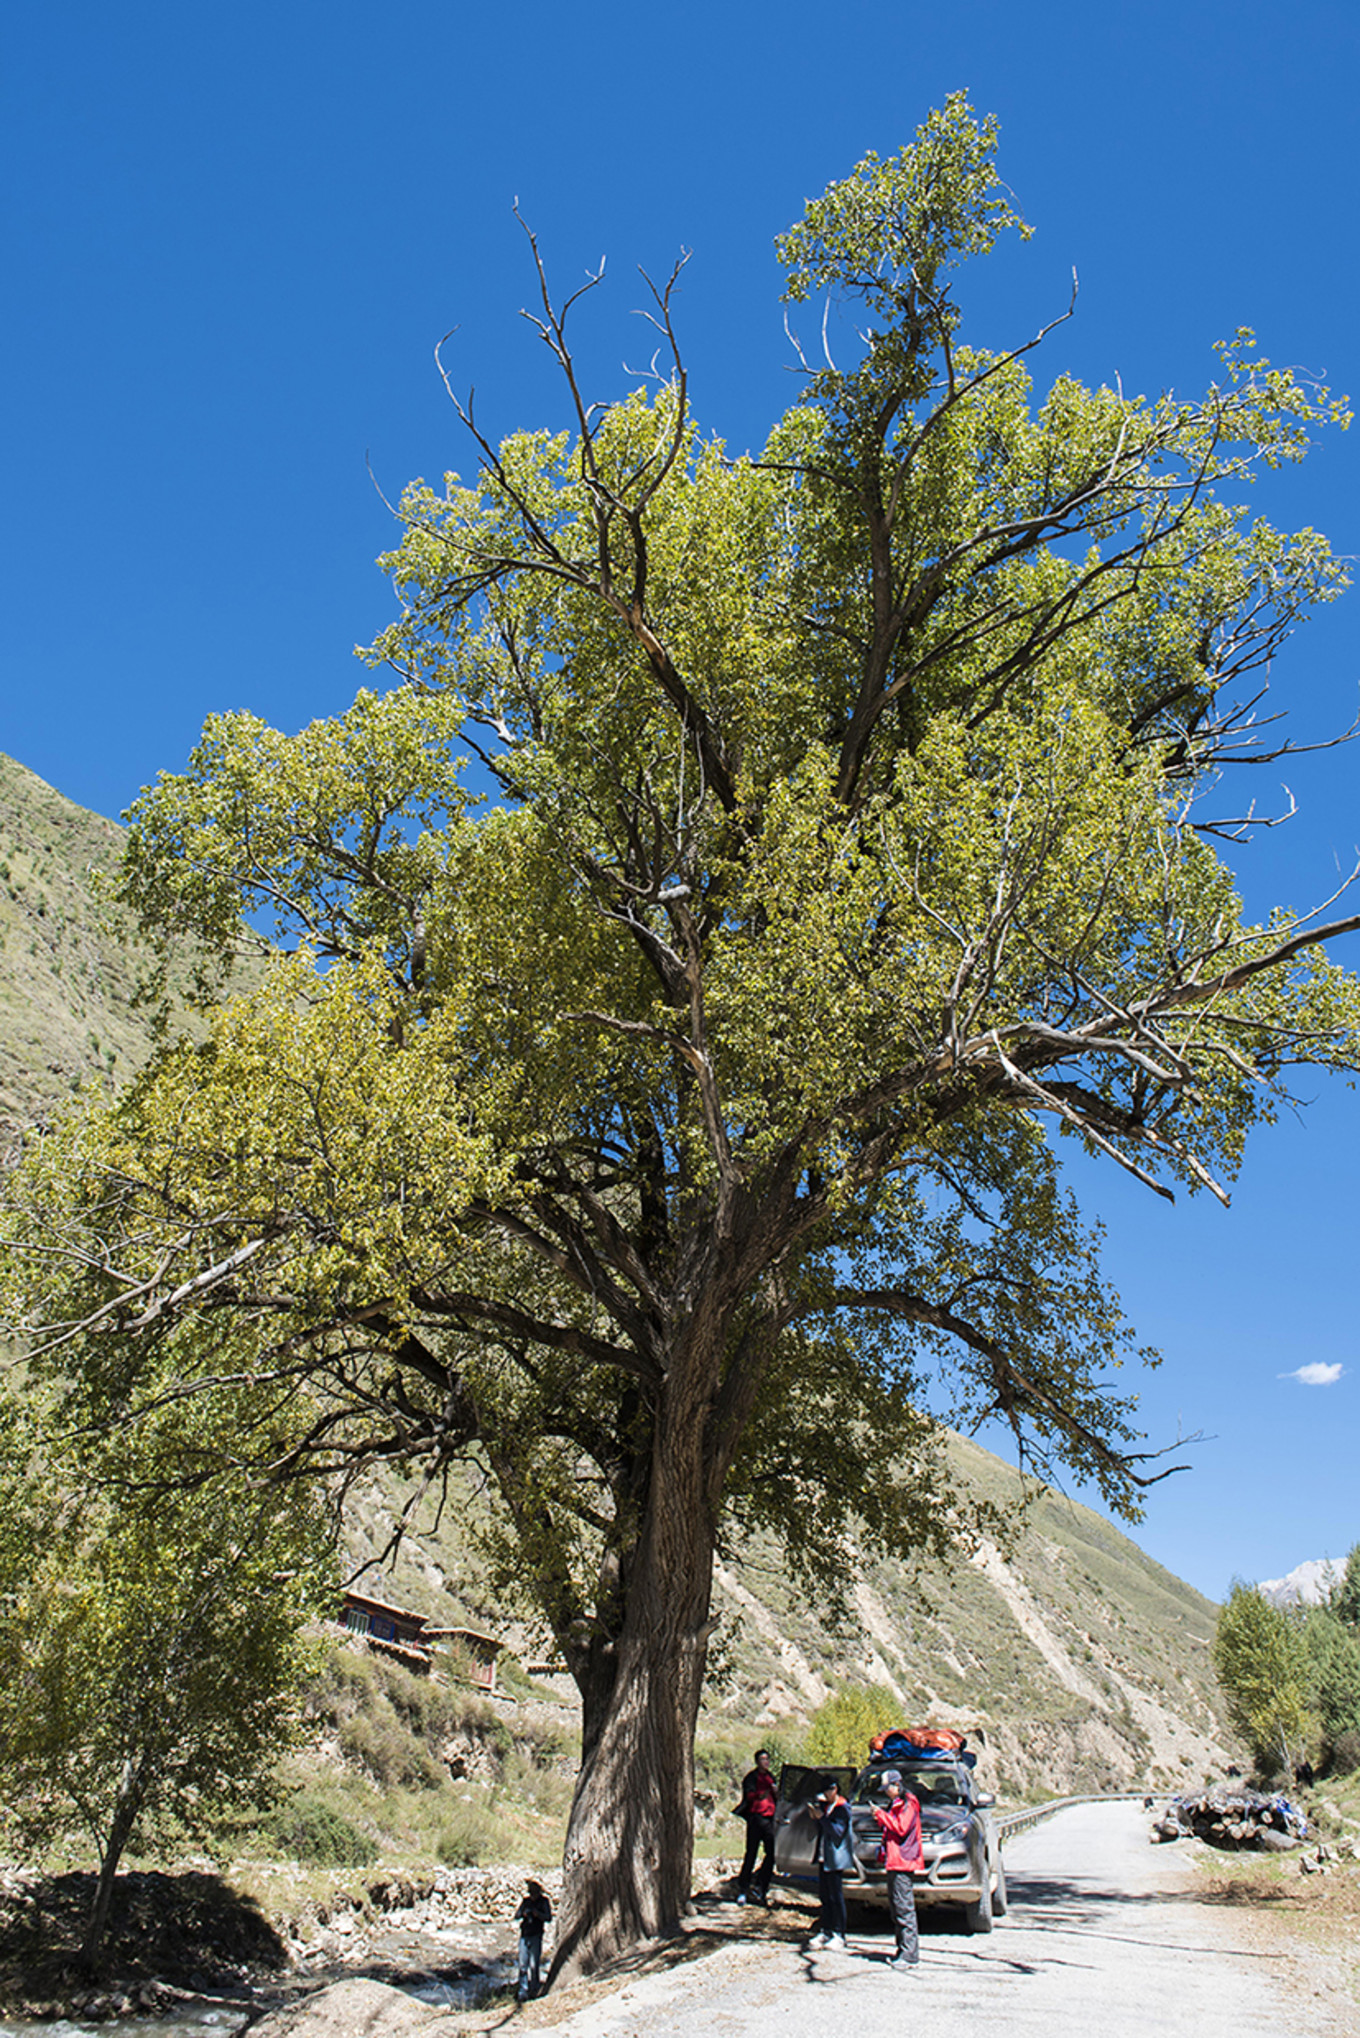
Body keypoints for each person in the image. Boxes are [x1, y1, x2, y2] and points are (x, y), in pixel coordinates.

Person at [872, 1769, 923, 1971]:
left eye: (888, 1788)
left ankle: (910, 1954)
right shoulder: (895, 1804)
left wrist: (882, 1816)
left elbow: (901, 1828)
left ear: (897, 1785)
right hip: (894, 1860)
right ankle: (902, 1948)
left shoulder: (909, 1803)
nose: (886, 1792)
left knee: (904, 1908)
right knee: (896, 1907)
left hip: (903, 1861)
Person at [808, 1778, 854, 1950]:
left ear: (834, 1790)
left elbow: (837, 1832)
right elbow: (822, 1829)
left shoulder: (843, 1808)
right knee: (825, 1896)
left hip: (835, 1859)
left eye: (827, 1791)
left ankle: (839, 1933)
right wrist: (816, 1817)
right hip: (823, 1857)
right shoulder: (827, 1807)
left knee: (836, 1897)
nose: (825, 1795)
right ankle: (826, 1930)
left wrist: (823, 1819)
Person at [734, 1747, 777, 1904]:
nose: (765, 1762)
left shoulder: (771, 1778)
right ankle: (743, 1888)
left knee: (771, 1854)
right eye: (762, 1759)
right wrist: (761, 1795)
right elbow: (748, 1795)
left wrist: (775, 1793)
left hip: (769, 1820)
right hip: (755, 1819)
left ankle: (761, 1886)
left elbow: (777, 1796)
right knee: (751, 1853)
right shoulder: (751, 1778)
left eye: (767, 1759)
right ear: (757, 1762)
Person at [514, 1878, 553, 2002]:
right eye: (531, 1893)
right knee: (522, 1965)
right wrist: (524, 1913)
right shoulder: (526, 1902)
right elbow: (516, 1915)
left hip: (536, 1935)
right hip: (525, 1935)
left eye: (534, 1893)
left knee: (534, 1965)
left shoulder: (544, 1902)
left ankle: (534, 1988)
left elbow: (548, 1917)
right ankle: (523, 1991)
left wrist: (538, 1914)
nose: (533, 1896)